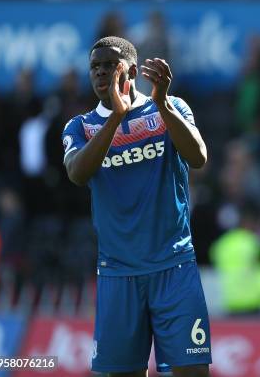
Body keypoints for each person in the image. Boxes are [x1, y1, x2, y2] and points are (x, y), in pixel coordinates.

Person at [61, 36, 211, 377]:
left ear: (130, 69)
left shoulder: (170, 108)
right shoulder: (80, 126)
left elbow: (198, 157)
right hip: (118, 272)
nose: (100, 73)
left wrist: (162, 104)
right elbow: (77, 174)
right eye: (94, 67)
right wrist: (116, 116)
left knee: (193, 372)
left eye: (109, 65)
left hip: (174, 267)